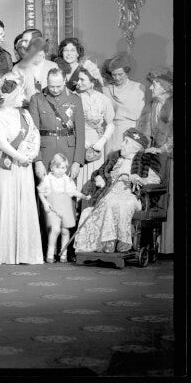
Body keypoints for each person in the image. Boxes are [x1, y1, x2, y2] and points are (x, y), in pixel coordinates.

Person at [74, 128, 161, 253]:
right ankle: (93, 245)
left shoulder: (144, 161)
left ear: (135, 147)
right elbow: (100, 173)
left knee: (116, 203)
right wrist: (99, 178)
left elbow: (155, 180)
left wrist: (141, 179)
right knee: (89, 211)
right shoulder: (115, 159)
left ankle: (115, 242)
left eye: (126, 142)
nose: (121, 145)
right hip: (110, 193)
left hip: (132, 195)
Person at [0, 73, 43, 265]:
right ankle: (8, 254)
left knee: (24, 204)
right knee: (7, 205)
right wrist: (20, 156)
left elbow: (35, 134)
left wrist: (33, 153)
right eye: (20, 94)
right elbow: (1, 142)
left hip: (24, 166)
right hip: (7, 167)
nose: (23, 98)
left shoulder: (25, 114)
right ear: (10, 96)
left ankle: (27, 253)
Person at [30, 68, 86, 182]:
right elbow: (33, 132)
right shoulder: (37, 99)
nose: (55, 90)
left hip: (68, 154)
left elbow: (80, 133)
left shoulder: (75, 99)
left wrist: (77, 162)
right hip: (46, 154)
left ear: (65, 80)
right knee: (46, 193)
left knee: (68, 193)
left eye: (58, 86)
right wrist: (38, 161)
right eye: (51, 86)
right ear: (47, 81)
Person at [139, 67, 173, 254]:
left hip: (169, 158)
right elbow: (149, 131)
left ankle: (169, 246)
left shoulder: (173, 105)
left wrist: (162, 149)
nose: (151, 88)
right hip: (156, 158)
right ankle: (155, 245)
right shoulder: (153, 106)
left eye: (154, 85)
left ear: (165, 87)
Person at [37, 153, 91, 263]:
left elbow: (73, 191)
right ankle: (50, 253)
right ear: (52, 167)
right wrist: (45, 203)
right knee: (55, 230)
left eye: (64, 168)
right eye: (58, 167)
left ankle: (63, 253)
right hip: (53, 208)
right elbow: (41, 192)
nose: (61, 170)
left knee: (65, 231)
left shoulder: (66, 179)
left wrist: (84, 196)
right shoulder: (48, 179)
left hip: (65, 208)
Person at [75, 67, 115, 197]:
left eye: (82, 79)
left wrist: (102, 142)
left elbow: (110, 124)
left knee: (95, 177)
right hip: (79, 140)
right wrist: (81, 139)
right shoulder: (74, 98)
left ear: (92, 81)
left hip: (97, 142)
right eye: (78, 79)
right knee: (79, 175)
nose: (78, 82)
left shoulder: (104, 100)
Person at [102, 55, 145, 153]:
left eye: (120, 74)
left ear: (126, 72)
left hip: (130, 132)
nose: (117, 78)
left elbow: (142, 115)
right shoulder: (106, 89)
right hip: (112, 132)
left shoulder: (138, 88)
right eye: (114, 75)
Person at [15, 36, 59, 102]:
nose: (37, 58)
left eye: (40, 55)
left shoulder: (53, 66)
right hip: (26, 106)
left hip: (48, 106)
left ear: (45, 52)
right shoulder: (18, 68)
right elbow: (14, 92)